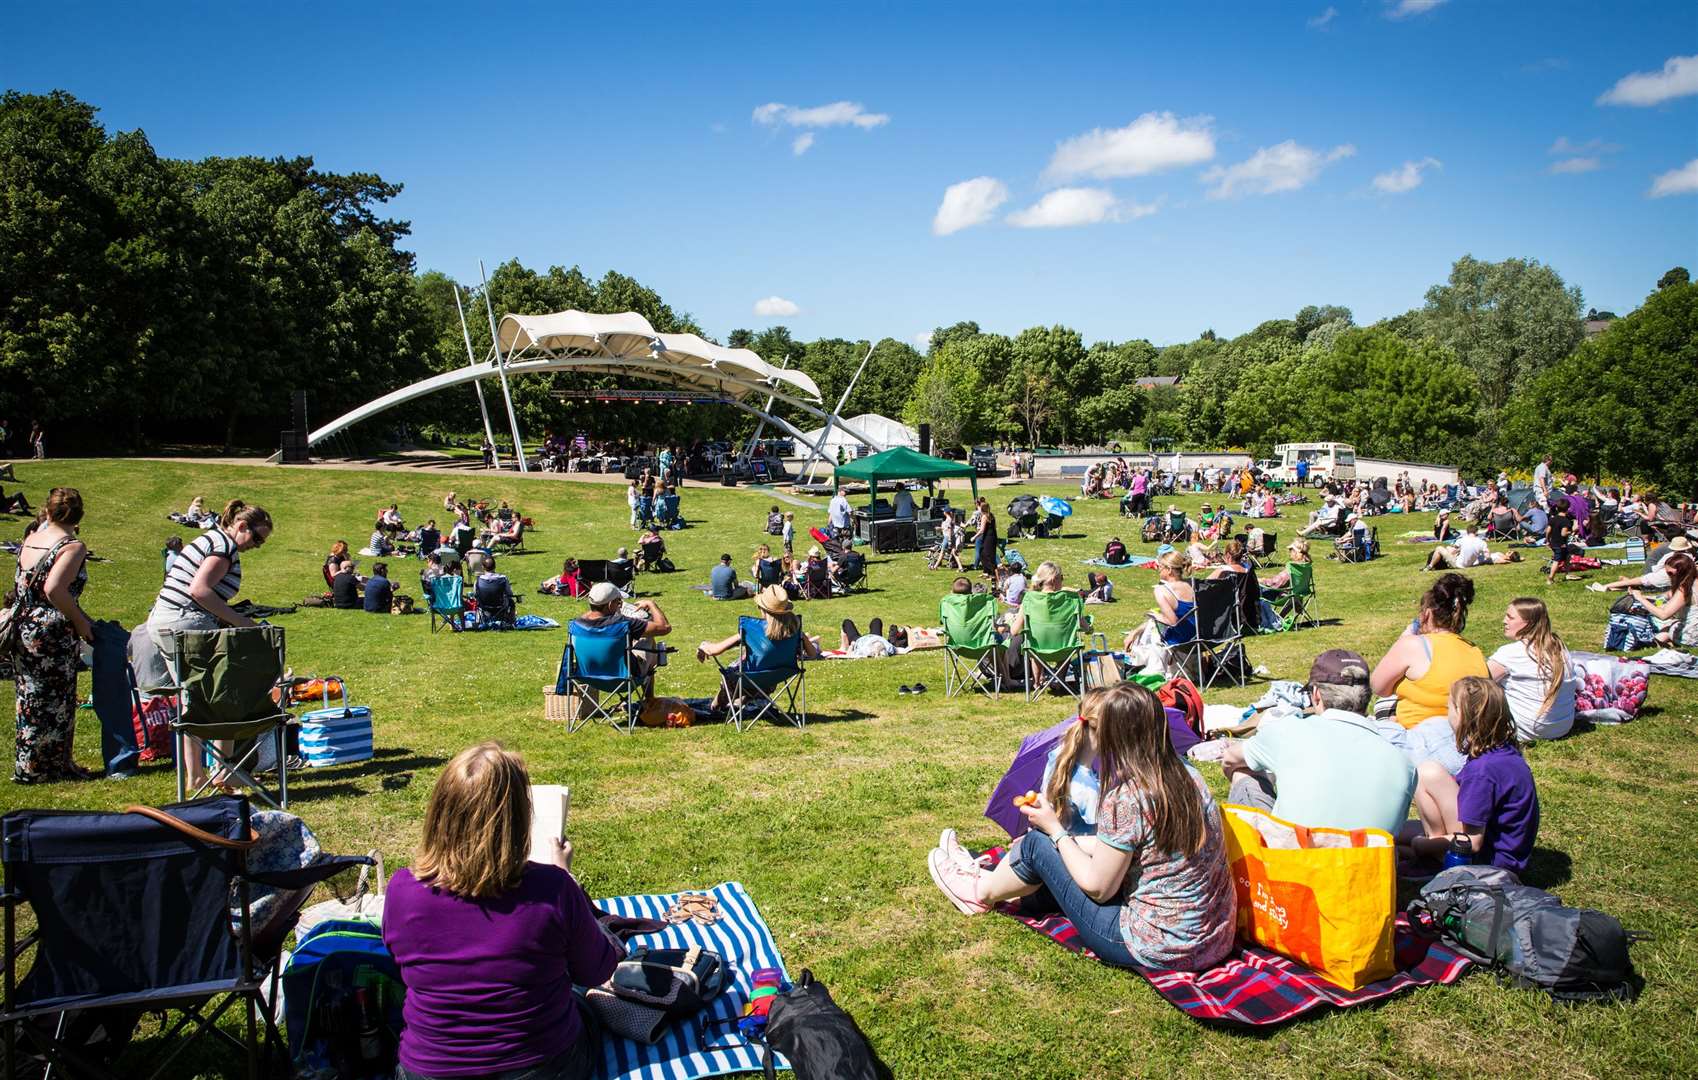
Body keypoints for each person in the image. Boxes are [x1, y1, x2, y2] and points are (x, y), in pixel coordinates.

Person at [927, 683, 1237, 972]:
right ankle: (992, 877)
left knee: (1037, 844)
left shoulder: (1128, 796)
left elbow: (1100, 889)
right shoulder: (1186, 775)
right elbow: (1139, 847)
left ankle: (978, 892)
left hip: (1158, 946)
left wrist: (1056, 832)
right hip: (1213, 938)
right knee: (1055, 852)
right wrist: (1070, 842)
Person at [383, 742, 616, 1080]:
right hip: (542, 1067)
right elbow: (597, 970)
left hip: (430, 1070)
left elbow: (401, 962)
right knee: (583, 1002)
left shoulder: (402, 891)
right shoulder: (553, 889)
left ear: (440, 813)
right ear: (519, 820)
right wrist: (566, 876)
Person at [147, 498, 273, 793]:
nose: (257, 545)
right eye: (256, 538)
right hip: (186, 623)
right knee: (222, 695)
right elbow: (200, 590)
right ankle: (221, 772)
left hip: (165, 621)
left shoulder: (210, 539)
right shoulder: (224, 546)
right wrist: (241, 622)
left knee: (194, 700)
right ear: (241, 526)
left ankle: (200, 775)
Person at [1219, 651, 1416, 834]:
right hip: (1366, 867)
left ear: (1316, 695)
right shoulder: (1404, 764)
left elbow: (1231, 758)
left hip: (1288, 864)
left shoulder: (1288, 731)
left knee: (1242, 771)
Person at [1401, 677, 1540, 874]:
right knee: (1394, 831)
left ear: (1462, 715)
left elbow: (1472, 842)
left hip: (1486, 862)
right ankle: (1428, 850)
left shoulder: (1482, 772)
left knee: (1427, 773)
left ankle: (1433, 861)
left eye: (1449, 705)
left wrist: (1422, 845)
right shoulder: (1501, 752)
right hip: (1502, 851)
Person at [11, 488, 95, 783]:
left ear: (48, 510)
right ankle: (53, 766)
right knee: (57, 701)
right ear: (78, 515)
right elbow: (54, 590)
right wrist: (81, 622)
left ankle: (30, 764)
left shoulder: (32, 538)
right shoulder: (71, 546)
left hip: (22, 627)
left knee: (29, 697)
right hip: (51, 631)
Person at [1370, 572, 1488, 729]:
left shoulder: (1412, 645)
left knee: (1382, 705)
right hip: (1466, 736)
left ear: (1427, 613)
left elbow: (1378, 687)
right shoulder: (1474, 650)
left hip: (1418, 738)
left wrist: (1403, 640)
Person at [696, 585, 820, 710]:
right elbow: (813, 654)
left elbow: (715, 650)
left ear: (763, 609)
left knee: (732, 672)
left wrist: (703, 645)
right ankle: (745, 700)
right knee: (756, 670)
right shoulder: (795, 630)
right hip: (774, 679)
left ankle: (714, 708)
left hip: (746, 680)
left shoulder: (751, 630)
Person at [1487, 597, 1576, 741]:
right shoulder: (1559, 647)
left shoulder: (1511, 653)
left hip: (1529, 730)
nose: (1504, 621)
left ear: (1528, 623)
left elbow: (1476, 683)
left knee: (1485, 688)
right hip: (1562, 726)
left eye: (1510, 617)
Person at [572, 582, 672, 693]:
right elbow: (665, 627)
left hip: (588, 678)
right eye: (618, 602)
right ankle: (649, 700)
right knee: (646, 638)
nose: (620, 605)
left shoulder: (576, 625)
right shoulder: (623, 624)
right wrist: (651, 604)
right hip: (624, 680)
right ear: (610, 605)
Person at [1629, 552, 1698, 646]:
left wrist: (1640, 598)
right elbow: (1667, 596)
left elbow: (1664, 615)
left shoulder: (1684, 589)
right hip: (1693, 630)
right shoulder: (1693, 581)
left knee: (1663, 622)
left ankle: (1656, 642)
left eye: (1670, 573)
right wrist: (1648, 598)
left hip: (1691, 635)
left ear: (1681, 571)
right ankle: (1662, 642)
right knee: (1670, 623)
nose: (1668, 575)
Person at [1424, 524, 1490, 570]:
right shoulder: (1482, 542)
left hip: (1458, 564)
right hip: (1470, 564)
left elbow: (1452, 552)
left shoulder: (1461, 540)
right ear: (1476, 532)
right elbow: (1487, 555)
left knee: (1439, 548)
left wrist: (1455, 550)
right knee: (1448, 548)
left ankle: (1430, 566)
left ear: (1467, 532)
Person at [475, 555, 517, 624]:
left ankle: (479, 620)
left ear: (483, 567)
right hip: (500, 605)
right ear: (495, 566)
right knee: (511, 601)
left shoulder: (478, 580)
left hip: (484, 606)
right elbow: (510, 593)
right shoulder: (503, 578)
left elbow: (476, 594)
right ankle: (511, 621)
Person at [972, 498, 998, 577]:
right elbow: (995, 526)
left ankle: (993, 574)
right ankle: (986, 572)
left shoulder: (984, 517)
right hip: (992, 536)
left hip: (988, 537)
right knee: (983, 553)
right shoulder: (991, 515)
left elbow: (982, 530)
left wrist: (974, 537)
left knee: (987, 555)